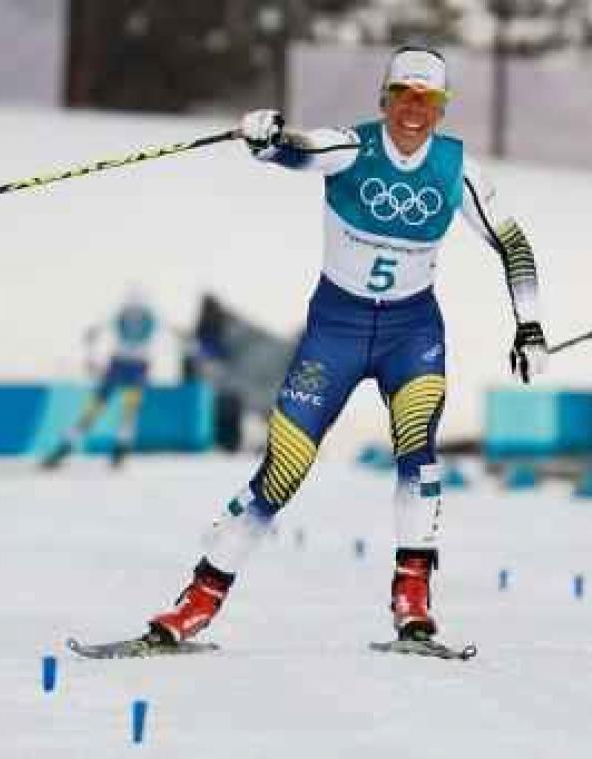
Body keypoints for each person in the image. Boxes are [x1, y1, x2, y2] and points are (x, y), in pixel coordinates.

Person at [137, 47, 549, 650]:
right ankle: (198, 600)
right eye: (403, 96)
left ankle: (412, 600)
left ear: (441, 109)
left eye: (427, 100)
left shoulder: (457, 168)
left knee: (417, 451)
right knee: (282, 470)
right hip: (336, 334)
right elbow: (298, 149)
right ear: (384, 99)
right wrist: (266, 138)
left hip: (411, 335)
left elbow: (512, 242)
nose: (413, 110)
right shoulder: (352, 148)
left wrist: (529, 326)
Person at [40, 288, 158, 469]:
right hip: (134, 367)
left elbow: (95, 332)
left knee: (106, 410)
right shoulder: (147, 316)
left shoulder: (126, 314)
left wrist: (92, 350)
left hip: (122, 366)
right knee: (124, 412)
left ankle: (67, 447)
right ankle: (118, 450)